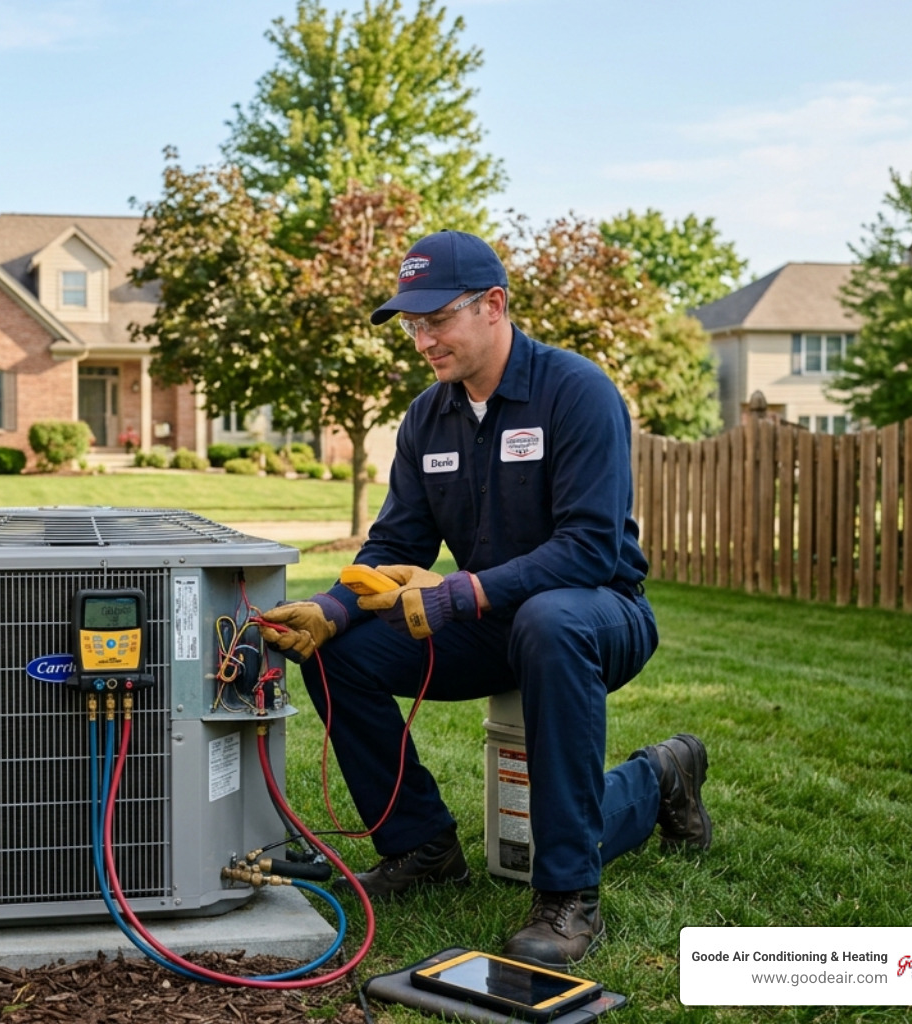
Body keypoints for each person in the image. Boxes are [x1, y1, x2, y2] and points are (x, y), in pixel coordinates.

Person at [258, 230, 712, 970]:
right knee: (340, 654)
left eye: (437, 320)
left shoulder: (577, 392)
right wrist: (334, 608)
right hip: (490, 620)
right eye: (412, 325)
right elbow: (396, 541)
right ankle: (421, 847)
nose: (422, 340)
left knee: (550, 619)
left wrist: (461, 591)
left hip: (599, 612)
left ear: (494, 305)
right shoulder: (426, 418)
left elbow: (590, 548)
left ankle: (571, 889)